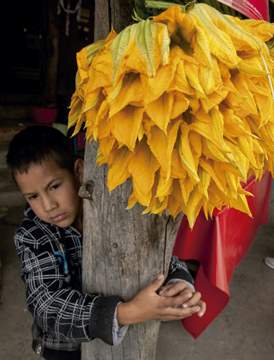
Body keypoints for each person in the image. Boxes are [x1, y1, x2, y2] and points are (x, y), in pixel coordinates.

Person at [6, 125, 206, 360]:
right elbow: (46, 305)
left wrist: (180, 284)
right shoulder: (32, 235)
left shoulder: (108, 212)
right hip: (65, 350)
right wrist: (126, 313)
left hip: (124, 345)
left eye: (54, 186)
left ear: (78, 171)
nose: (48, 205)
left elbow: (160, 256)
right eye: (33, 197)